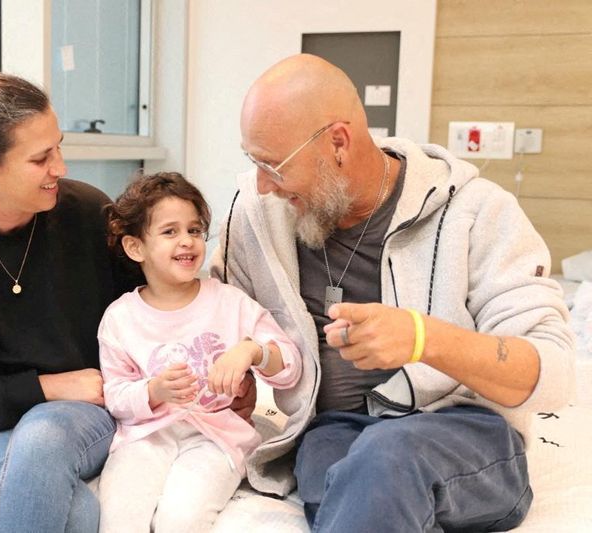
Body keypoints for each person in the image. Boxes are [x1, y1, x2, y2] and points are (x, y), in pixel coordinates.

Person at [0, 61, 256, 532]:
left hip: (74, 420)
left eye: (58, 148)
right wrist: (44, 387)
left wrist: (234, 364)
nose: (60, 167)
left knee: (43, 434)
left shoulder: (85, 213)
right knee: (79, 516)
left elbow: (161, 303)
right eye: (40, 159)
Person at [210, 53, 575, 532]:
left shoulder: (476, 213)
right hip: (333, 432)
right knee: (346, 467)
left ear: (338, 142)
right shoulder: (255, 217)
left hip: (466, 432)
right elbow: (213, 311)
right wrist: (236, 380)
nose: (261, 184)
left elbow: (555, 375)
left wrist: (425, 340)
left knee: (386, 456)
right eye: (251, 161)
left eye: (273, 165)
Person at [96, 172, 302, 532]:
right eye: (170, 231)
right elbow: (115, 396)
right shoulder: (120, 318)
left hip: (216, 438)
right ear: (135, 247)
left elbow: (291, 365)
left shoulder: (231, 302)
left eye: (194, 230)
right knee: (119, 518)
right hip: (145, 437)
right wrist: (153, 391)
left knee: (181, 519)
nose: (187, 242)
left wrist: (250, 352)